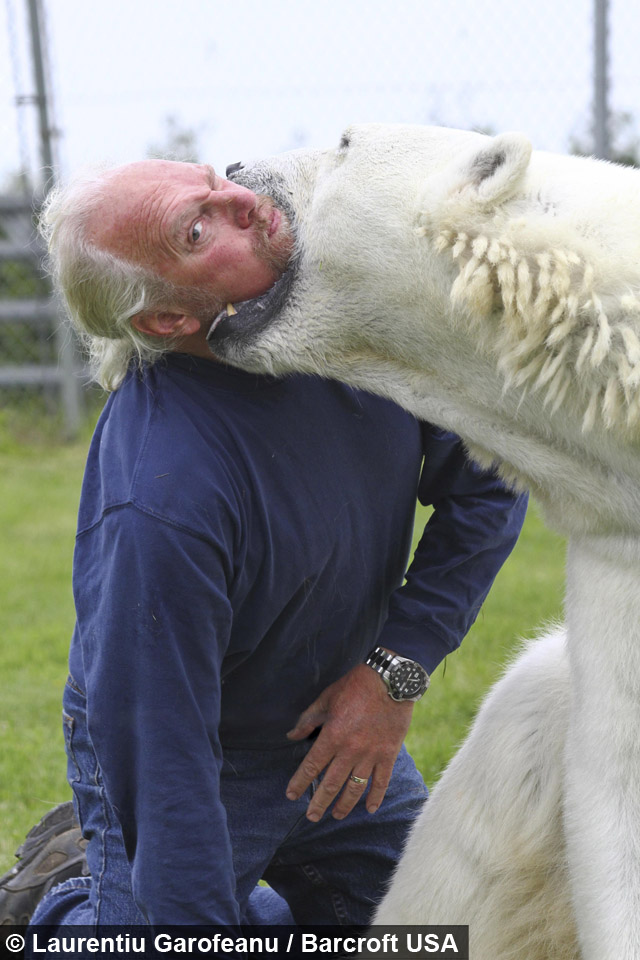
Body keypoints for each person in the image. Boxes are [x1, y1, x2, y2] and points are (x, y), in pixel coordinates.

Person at [0, 159, 528, 928]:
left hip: (339, 724)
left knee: (444, 936)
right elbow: (163, 748)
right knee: (179, 933)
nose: (242, 202)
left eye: (214, 181)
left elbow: (491, 481)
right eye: (196, 228)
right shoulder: (161, 497)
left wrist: (390, 675)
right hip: (193, 751)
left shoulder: (365, 325)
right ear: (167, 320)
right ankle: (55, 908)